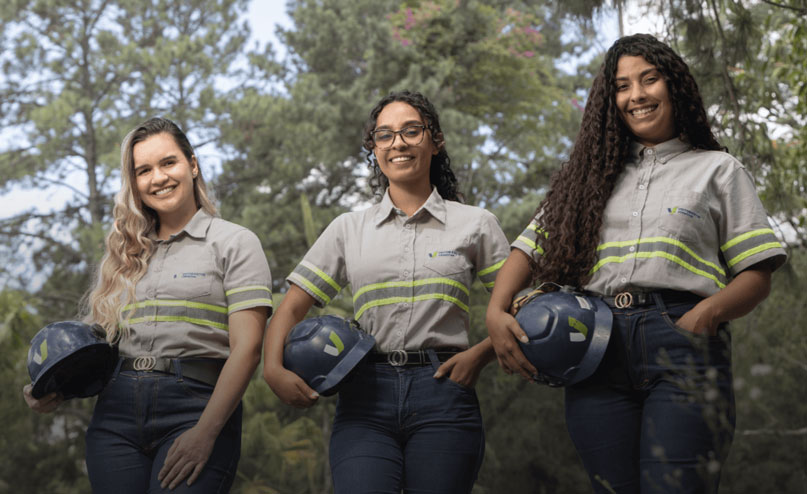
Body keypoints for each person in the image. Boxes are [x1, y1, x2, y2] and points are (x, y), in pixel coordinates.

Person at [485, 34, 787, 493]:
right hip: (593, 349)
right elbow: (527, 248)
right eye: (623, 86)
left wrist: (704, 314)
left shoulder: (718, 170)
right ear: (611, 101)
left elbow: (757, 273)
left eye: (649, 80)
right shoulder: (588, 177)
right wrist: (496, 312)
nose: (637, 95)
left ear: (674, 86)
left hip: (681, 343)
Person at [263, 90, 510, 493]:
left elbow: (518, 306)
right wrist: (272, 369)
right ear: (374, 148)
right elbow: (289, 308)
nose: (398, 142)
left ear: (436, 141)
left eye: (411, 131)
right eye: (385, 135)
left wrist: (478, 356)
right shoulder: (348, 228)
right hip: (364, 397)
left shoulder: (476, 224)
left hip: (444, 392)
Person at [23, 117, 272, 493]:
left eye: (168, 163)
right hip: (115, 416)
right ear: (134, 183)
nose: (158, 178)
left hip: (196, 408)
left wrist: (205, 433)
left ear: (192, 164)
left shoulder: (235, 242)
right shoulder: (124, 253)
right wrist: (52, 385)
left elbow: (248, 349)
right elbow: (96, 348)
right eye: (144, 170)